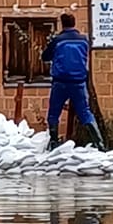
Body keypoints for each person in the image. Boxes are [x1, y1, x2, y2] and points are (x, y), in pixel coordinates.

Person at [41, 12, 98, 147]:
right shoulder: (83, 40)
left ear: (62, 24)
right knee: (85, 112)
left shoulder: (58, 40)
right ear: (74, 23)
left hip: (60, 82)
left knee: (54, 112)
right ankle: (99, 142)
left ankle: (54, 141)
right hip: (79, 82)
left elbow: (45, 56)